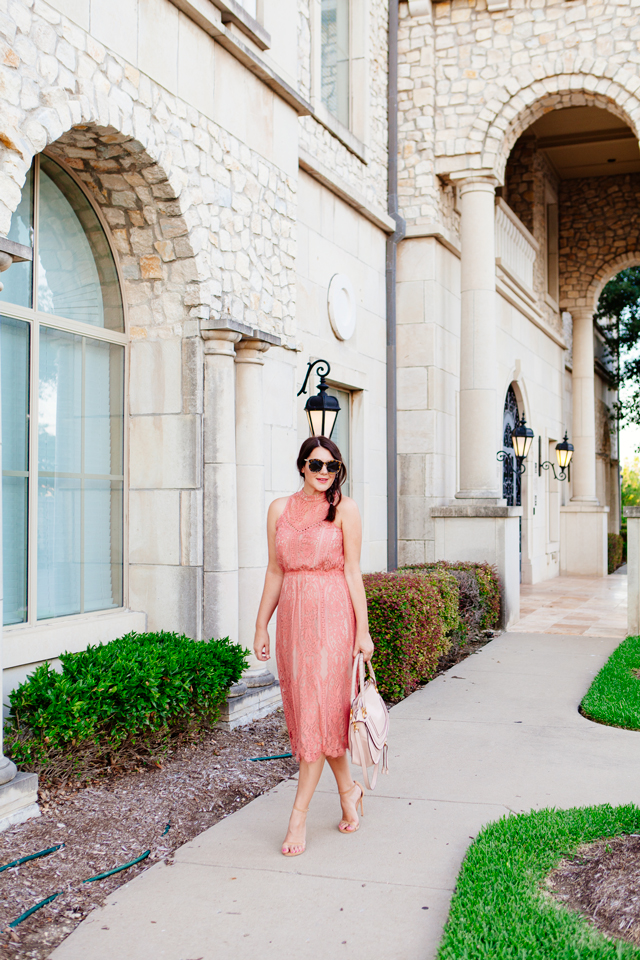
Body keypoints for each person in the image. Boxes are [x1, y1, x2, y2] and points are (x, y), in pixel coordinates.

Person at [253, 435, 374, 857]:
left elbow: (354, 572)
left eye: (332, 466)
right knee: (313, 713)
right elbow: (274, 571)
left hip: (335, 617)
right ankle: (348, 791)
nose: (324, 473)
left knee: (319, 712)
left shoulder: (345, 509)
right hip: (292, 621)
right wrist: (260, 627)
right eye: (316, 464)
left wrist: (363, 630)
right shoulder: (278, 510)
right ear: (301, 466)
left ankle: (298, 815)